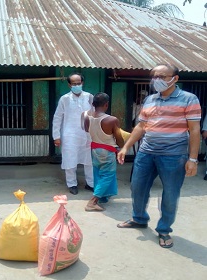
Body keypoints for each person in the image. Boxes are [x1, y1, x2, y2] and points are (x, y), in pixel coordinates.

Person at [116, 64, 201, 249]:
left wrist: (192, 159)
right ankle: (139, 218)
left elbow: (194, 130)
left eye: (162, 76)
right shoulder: (150, 99)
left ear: (175, 78)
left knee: (170, 193)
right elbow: (141, 127)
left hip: (173, 155)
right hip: (146, 152)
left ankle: (164, 229)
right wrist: (126, 147)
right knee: (137, 187)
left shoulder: (189, 99)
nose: (157, 80)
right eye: (154, 76)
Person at [52, 73, 94, 195]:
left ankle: (90, 184)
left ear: (83, 83)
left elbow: (96, 114)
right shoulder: (64, 99)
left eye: (79, 83)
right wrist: (56, 136)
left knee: (89, 160)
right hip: (69, 134)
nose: (77, 85)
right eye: (74, 84)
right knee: (70, 160)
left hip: (87, 134)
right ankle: (72, 184)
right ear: (69, 84)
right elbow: (57, 117)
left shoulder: (89, 97)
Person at [83, 93, 124, 211]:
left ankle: (103, 197)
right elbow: (119, 138)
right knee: (108, 174)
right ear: (106, 104)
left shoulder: (87, 117)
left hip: (94, 148)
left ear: (93, 104)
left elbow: (87, 129)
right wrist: (122, 147)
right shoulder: (111, 120)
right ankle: (93, 201)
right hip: (107, 150)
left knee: (98, 173)